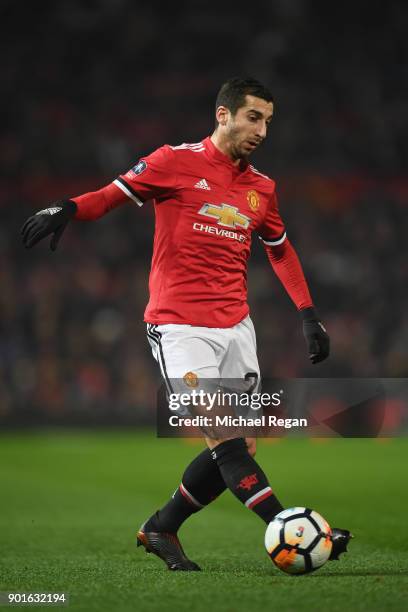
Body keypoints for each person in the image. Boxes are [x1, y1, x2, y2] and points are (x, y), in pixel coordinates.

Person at [21, 77, 352, 571]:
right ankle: (295, 529)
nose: (262, 130)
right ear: (224, 115)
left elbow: (280, 251)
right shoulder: (174, 161)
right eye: (253, 117)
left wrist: (308, 315)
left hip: (237, 326)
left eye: (268, 120)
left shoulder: (263, 188)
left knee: (240, 445)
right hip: (180, 327)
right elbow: (111, 195)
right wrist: (69, 207)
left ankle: (161, 527)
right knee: (225, 437)